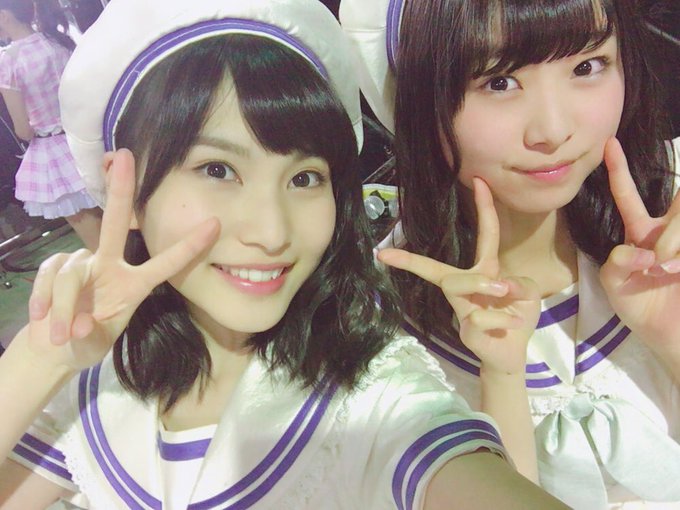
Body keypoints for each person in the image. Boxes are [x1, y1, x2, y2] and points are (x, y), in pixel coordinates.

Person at [0, 0, 570, 508]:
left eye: (305, 178)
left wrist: (502, 377)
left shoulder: (376, 398)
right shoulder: (91, 385)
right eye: (217, 169)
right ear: (123, 187)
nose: (273, 232)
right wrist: (41, 357)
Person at [340, 0, 680, 507]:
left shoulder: (669, 222)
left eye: (587, 67)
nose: (552, 130)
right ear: (419, 99)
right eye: (499, 81)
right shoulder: (376, 329)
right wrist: (501, 378)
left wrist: (673, 338)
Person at [0, 0, 101, 251]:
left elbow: (23, 130)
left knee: (99, 243)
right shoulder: (57, 40)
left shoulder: (9, 60)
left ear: (4, 16)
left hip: (54, 153)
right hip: (89, 136)